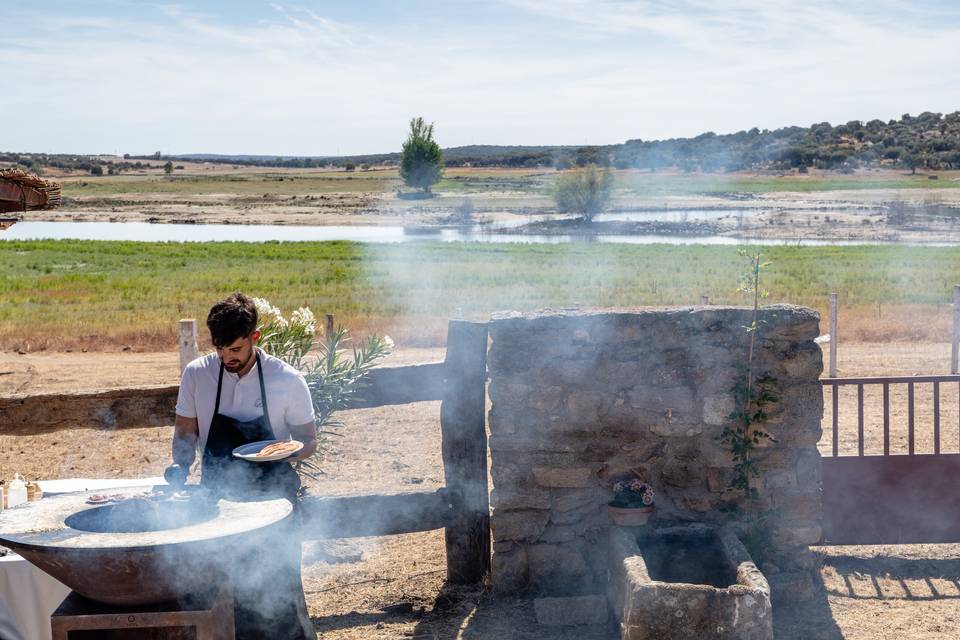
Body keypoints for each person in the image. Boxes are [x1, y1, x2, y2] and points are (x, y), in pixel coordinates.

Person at [170, 292, 316, 640]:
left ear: (255, 338)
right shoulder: (197, 375)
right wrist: (179, 466)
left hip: (274, 506)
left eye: (235, 350)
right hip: (217, 504)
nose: (226, 358)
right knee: (220, 594)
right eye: (220, 349)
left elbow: (308, 442)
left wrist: (278, 452)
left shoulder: (286, 379)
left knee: (275, 598)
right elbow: (185, 435)